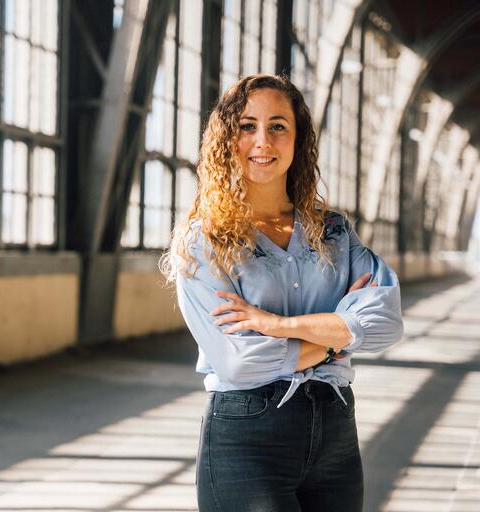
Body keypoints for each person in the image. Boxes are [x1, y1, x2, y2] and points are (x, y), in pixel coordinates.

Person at [160, 74, 404, 511]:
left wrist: (277, 325)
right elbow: (240, 361)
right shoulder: (204, 241)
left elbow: (385, 322)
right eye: (247, 126)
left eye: (278, 126)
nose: (262, 141)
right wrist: (334, 342)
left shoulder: (333, 232)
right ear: (226, 138)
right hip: (247, 437)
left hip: (335, 431)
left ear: (298, 139)